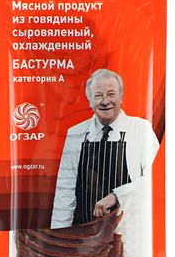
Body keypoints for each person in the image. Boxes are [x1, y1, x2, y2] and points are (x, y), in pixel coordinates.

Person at [51, 68, 160, 229]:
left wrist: (117, 196)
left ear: (121, 97)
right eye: (98, 95)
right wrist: (59, 236)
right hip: (85, 232)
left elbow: (156, 179)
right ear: (89, 101)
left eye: (111, 94)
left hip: (128, 232)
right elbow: (64, 191)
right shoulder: (75, 133)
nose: (105, 101)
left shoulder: (141, 129)